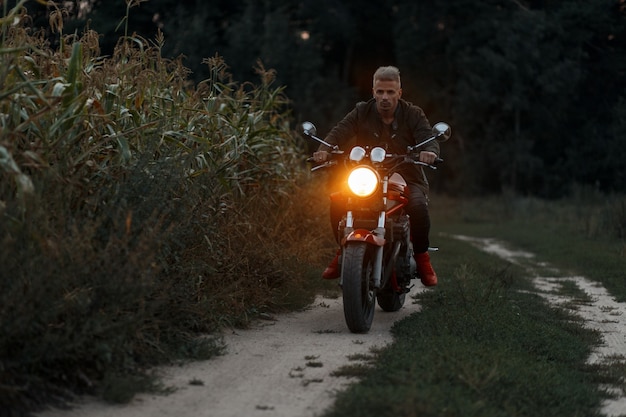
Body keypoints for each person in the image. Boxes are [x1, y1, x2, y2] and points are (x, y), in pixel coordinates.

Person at [312, 65, 439, 287]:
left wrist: (430, 151)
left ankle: (422, 257)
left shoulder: (413, 114)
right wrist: (325, 149)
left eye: (390, 92)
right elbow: (340, 130)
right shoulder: (362, 111)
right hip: (366, 174)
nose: (385, 97)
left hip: (406, 175)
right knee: (338, 199)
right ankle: (342, 251)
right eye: (380, 92)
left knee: (418, 205)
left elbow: (427, 137)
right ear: (373, 92)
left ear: (399, 93)